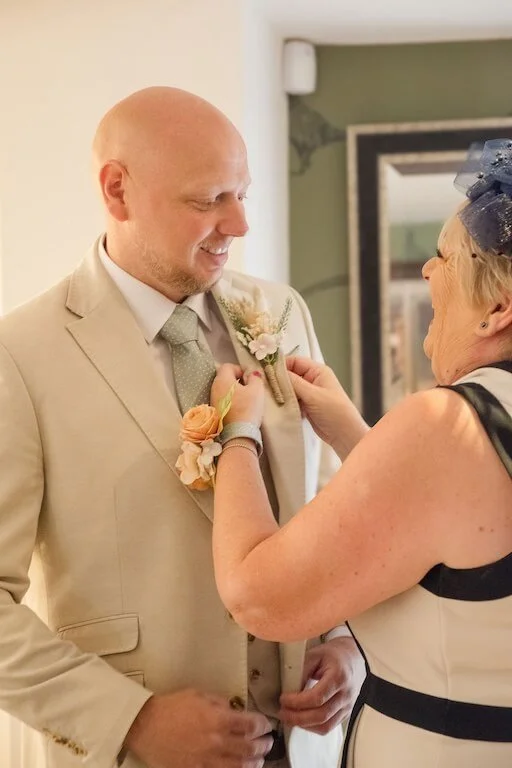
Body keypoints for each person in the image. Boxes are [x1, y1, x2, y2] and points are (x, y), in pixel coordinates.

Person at [0, 86, 362, 768]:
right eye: (208, 201)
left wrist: (345, 639)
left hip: (305, 749)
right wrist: (130, 721)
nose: (240, 225)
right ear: (117, 192)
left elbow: (334, 506)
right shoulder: (19, 355)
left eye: (243, 194)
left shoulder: (279, 313)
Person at [210, 137, 512, 767]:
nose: (427, 272)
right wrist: (353, 431)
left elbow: (257, 597)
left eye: (444, 258)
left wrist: (235, 434)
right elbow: (467, 532)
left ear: (498, 310)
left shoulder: (445, 426)